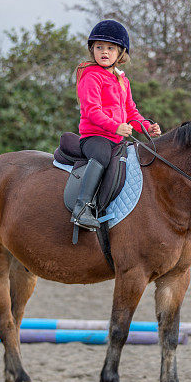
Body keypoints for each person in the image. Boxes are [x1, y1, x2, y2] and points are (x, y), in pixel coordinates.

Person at [72, 19, 161, 229]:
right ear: (92, 50)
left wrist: (146, 127)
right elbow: (92, 111)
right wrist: (115, 126)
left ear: (120, 52)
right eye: (99, 47)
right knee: (101, 156)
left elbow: (131, 113)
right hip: (94, 137)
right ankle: (82, 207)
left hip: (117, 139)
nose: (104, 51)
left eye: (110, 48)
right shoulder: (91, 76)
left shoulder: (123, 81)